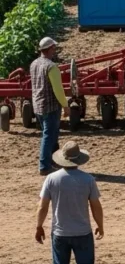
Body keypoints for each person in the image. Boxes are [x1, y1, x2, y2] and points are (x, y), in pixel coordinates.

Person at [35, 140, 104, 264]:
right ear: (79, 160)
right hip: (83, 232)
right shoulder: (88, 179)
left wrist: (38, 226)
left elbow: (42, 206)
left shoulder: (52, 179)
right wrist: (100, 225)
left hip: (59, 233)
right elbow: (96, 206)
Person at [31, 36, 69, 176]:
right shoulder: (52, 67)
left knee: (51, 135)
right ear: (50, 48)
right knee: (49, 136)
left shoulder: (34, 64)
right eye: (54, 47)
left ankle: (54, 160)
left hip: (38, 105)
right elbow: (58, 89)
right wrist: (65, 105)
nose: (55, 50)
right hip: (51, 106)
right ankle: (44, 166)